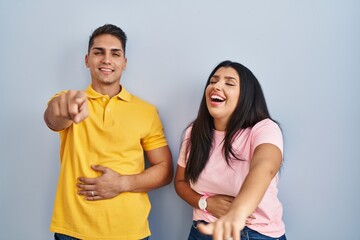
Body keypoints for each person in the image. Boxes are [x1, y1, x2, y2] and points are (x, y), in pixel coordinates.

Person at [44, 24, 173, 240]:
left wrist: (122, 183)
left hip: (130, 232)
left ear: (124, 62)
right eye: (98, 52)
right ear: (87, 60)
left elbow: (165, 169)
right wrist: (64, 110)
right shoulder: (70, 99)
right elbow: (53, 119)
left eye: (115, 53)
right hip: (74, 231)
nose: (106, 60)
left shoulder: (146, 111)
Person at [174, 60, 287, 240]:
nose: (216, 86)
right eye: (213, 81)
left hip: (255, 233)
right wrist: (205, 203)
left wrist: (237, 212)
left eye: (229, 83)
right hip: (202, 230)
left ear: (246, 96)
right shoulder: (194, 133)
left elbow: (265, 167)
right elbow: (180, 182)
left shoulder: (264, 129)